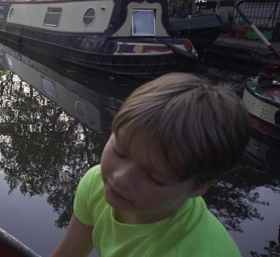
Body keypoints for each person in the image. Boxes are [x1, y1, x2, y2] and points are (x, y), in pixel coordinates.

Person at [50, 72, 251, 257]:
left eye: (155, 177)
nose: (120, 179)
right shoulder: (96, 183)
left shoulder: (196, 251)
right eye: (120, 151)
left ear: (199, 187)